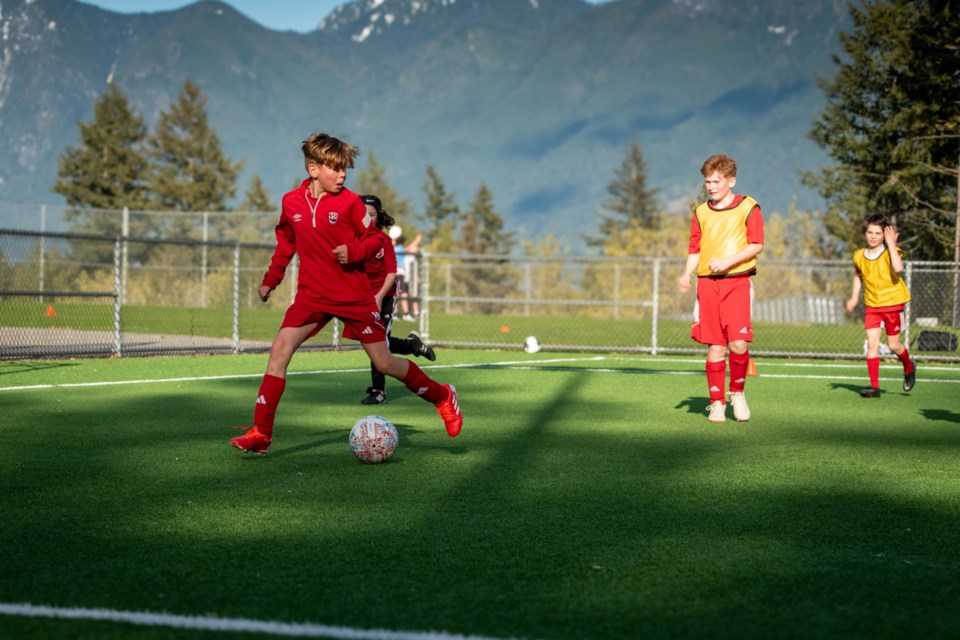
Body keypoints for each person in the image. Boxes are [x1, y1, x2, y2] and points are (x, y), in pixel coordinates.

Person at [230, 133, 462, 455]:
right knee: (280, 349)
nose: (342, 175)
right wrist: (272, 279)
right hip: (312, 296)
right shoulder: (291, 203)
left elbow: (375, 241)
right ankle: (261, 433)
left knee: (384, 363)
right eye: (336, 169)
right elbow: (286, 243)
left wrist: (353, 251)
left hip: (354, 297)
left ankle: (442, 396)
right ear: (313, 170)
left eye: (345, 170)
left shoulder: (351, 203)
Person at [677, 154, 764, 423]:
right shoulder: (701, 212)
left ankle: (737, 392)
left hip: (737, 282)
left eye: (717, 181)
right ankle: (716, 402)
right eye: (707, 181)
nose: (711, 186)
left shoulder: (749, 207)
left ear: (731, 181)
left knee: (738, 343)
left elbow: (757, 244)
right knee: (716, 346)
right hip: (707, 285)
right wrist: (686, 274)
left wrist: (728, 261)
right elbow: (695, 249)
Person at [358, 194, 437, 406]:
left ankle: (378, 391)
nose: (366, 218)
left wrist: (379, 296)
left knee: (378, 343)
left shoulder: (383, 241)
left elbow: (391, 274)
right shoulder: (353, 239)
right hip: (365, 298)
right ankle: (413, 345)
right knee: (374, 342)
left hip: (385, 295)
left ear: (378, 216)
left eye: (371, 214)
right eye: (361, 214)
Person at [844, 213, 916, 398]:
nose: (873, 236)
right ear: (865, 233)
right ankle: (874, 387)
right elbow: (858, 276)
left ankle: (909, 366)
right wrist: (853, 298)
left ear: (884, 234)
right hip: (872, 306)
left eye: (878, 232)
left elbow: (898, 268)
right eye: (870, 232)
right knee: (872, 344)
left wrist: (892, 244)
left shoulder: (891, 251)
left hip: (892, 304)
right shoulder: (859, 255)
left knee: (894, 345)